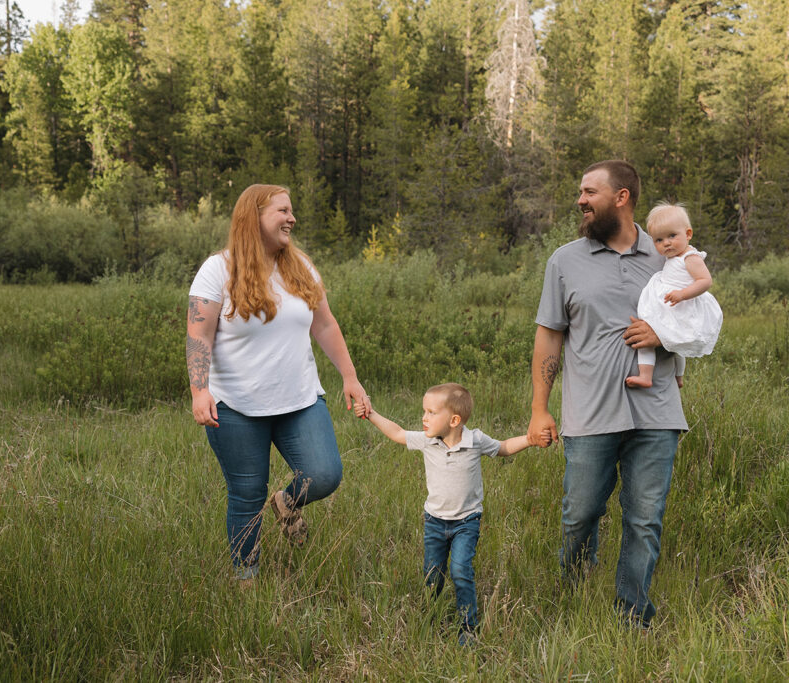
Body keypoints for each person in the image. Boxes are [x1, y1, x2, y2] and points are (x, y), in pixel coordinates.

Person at [528, 160, 688, 629]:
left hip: (656, 413)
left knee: (644, 521)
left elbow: (695, 324)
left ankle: (632, 616)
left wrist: (663, 337)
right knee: (580, 515)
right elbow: (549, 336)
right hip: (590, 413)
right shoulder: (565, 260)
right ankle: (573, 600)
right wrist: (540, 408)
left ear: (622, 198)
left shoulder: (668, 257)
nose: (580, 200)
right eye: (581, 191)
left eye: (589, 192)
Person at [186, 184, 371, 582]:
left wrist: (350, 377)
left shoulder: (299, 266)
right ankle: (246, 579)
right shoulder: (217, 269)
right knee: (246, 496)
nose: (292, 218)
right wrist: (200, 390)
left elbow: (325, 324)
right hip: (235, 406)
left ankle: (286, 501)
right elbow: (198, 335)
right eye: (282, 211)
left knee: (324, 474)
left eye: (292, 211)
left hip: (300, 401)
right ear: (254, 217)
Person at [354, 383, 534, 644]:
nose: (424, 418)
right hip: (435, 522)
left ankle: (467, 628)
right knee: (432, 574)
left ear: (454, 420)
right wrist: (370, 414)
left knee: (461, 570)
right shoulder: (427, 441)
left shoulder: (475, 441)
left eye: (430, 412)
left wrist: (530, 439)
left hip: (466, 522)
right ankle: (430, 619)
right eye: (424, 411)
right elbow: (397, 433)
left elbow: (503, 447)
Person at [625, 202, 722, 389]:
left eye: (672, 236)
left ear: (688, 234)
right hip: (672, 302)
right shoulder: (673, 257)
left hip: (680, 304)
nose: (666, 243)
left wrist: (682, 294)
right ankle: (670, 377)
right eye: (659, 240)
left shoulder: (690, 258)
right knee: (668, 341)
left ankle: (654, 375)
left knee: (656, 335)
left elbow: (705, 281)